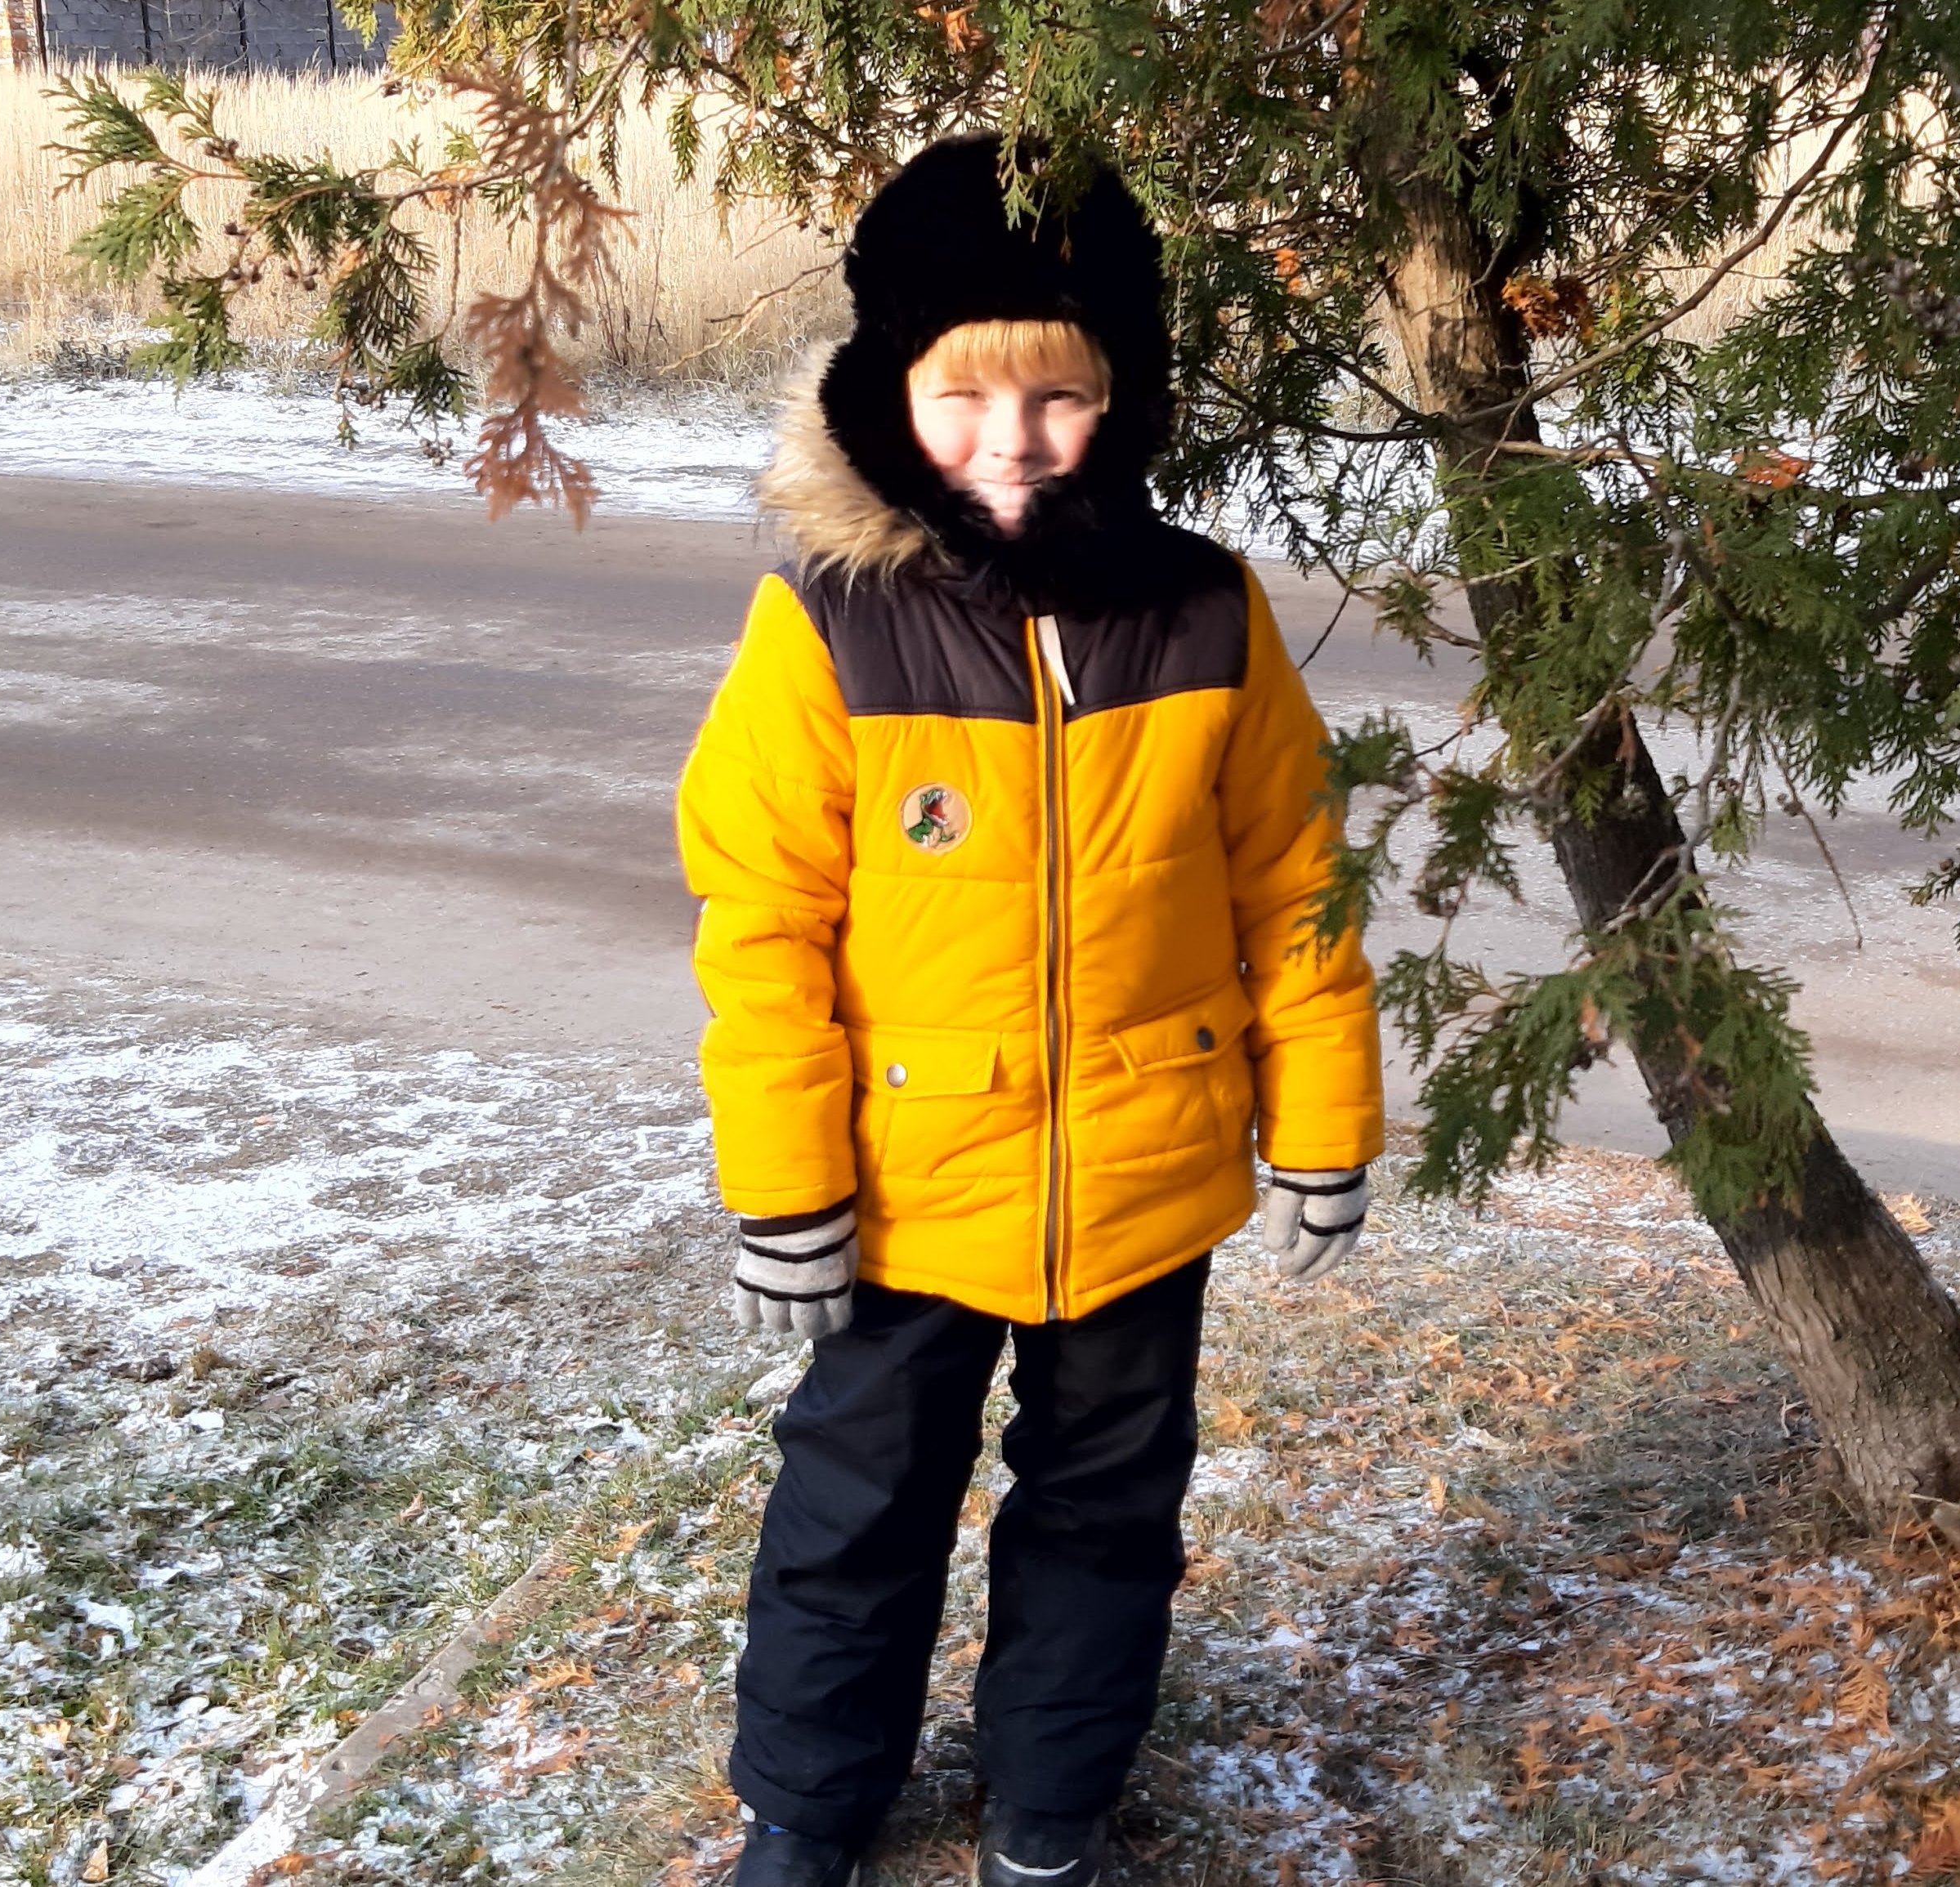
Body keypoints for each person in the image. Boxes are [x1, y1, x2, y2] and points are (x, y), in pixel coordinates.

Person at [676, 134, 1385, 1887]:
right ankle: (810, 1805)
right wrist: (787, 1186)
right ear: (890, 397)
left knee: (1105, 1511)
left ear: (1118, 401)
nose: (1014, 439)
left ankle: (1050, 1806)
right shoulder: (829, 623)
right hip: (906, 1194)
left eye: (1059, 395)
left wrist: (1322, 1124)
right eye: (966, 397)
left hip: (1146, 1173)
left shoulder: (1205, 613)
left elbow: (1294, 882)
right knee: (856, 1512)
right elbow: (762, 920)